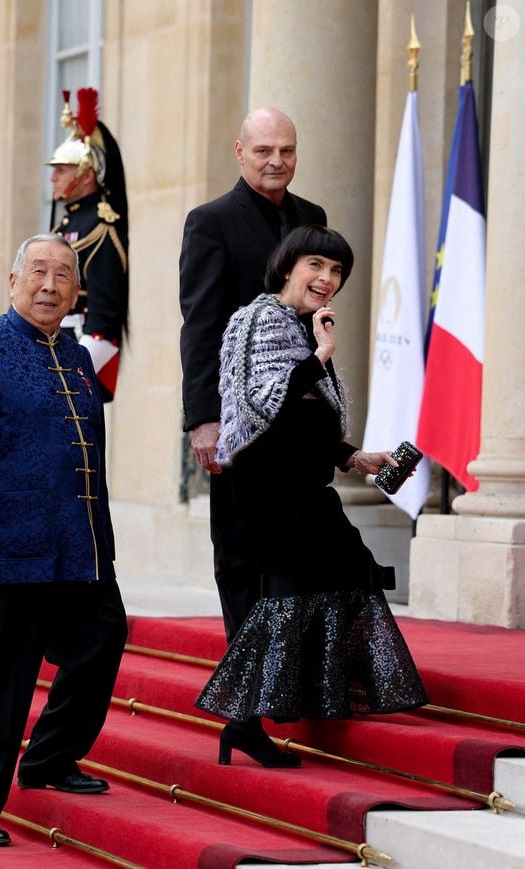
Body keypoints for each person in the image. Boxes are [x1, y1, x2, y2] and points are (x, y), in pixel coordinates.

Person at [195, 225, 429, 768]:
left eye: (337, 271)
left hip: (302, 489)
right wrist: (320, 353)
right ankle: (245, 723)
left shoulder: (302, 328)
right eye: (316, 266)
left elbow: (304, 422)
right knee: (287, 600)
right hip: (265, 493)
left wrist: (351, 457)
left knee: (345, 575)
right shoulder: (257, 320)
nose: (327, 279)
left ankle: (277, 710)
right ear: (287, 266)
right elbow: (260, 408)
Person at [0, 234, 128, 847]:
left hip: (76, 553)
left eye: (63, 276)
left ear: (77, 291)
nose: (50, 285)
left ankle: (49, 758)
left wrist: (102, 545)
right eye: (39, 273)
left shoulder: (76, 356)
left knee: (103, 637)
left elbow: (88, 460)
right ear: (13, 280)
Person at [179, 106, 327, 645]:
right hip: (240, 421)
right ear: (240, 152)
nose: (276, 160)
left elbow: (314, 322)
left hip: (299, 416)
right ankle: (245, 706)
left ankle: (290, 678)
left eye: (286, 150)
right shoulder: (210, 221)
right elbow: (199, 326)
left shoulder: (312, 215)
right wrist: (204, 420)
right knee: (241, 558)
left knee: (297, 552)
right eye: (263, 150)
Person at [47, 87, 129, 403]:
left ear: (85, 175)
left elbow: (104, 319)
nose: (53, 178)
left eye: (61, 170)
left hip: (78, 356)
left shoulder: (100, 228)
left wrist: (73, 376)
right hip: (52, 350)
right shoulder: (65, 225)